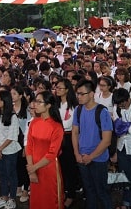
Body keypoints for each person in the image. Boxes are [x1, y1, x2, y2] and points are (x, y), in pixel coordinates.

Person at [72, 79, 113, 209]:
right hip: (82, 158)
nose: (78, 96)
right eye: (77, 93)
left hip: (98, 159)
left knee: (102, 192)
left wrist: (91, 156)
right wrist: (77, 153)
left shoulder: (102, 112)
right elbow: (74, 133)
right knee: (89, 192)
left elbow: (107, 140)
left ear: (91, 94)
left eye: (82, 93)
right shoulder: (78, 110)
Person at [26, 90, 65, 209]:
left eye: (39, 102)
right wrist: (31, 169)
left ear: (48, 105)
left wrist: (34, 167)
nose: (35, 105)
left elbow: (52, 154)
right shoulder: (34, 123)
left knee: (49, 200)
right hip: (34, 166)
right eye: (35, 101)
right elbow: (29, 146)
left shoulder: (56, 127)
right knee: (37, 200)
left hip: (48, 169)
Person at [0, 89, 22, 209]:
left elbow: (12, 136)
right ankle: (4, 196)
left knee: (11, 174)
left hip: (10, 150)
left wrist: (0, 149)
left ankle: (12, 198)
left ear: (6, 100)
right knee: (2, 174)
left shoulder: (13, 116)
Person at [54, 78, 79, 208]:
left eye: (60, 88)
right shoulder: (55, 104)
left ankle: (71, 194)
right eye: (56, 88)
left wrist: (58, 125)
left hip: (68, 138)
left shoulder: (73, 106)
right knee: (59, 168)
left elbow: (68, 124)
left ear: (67, 90)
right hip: (56, 137)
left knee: (69, 168)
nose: (57, 90)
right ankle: (61, 191)